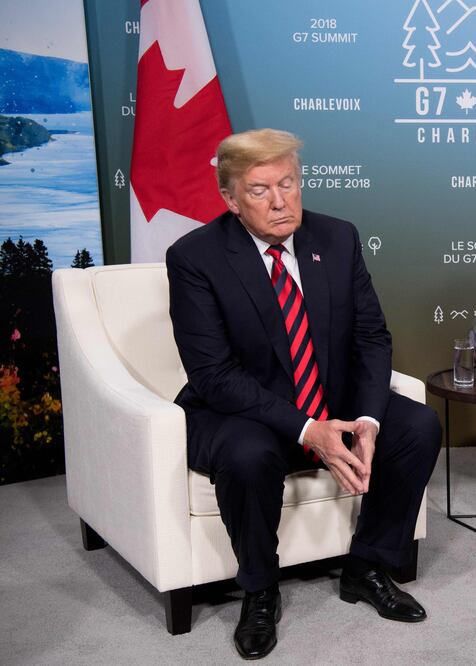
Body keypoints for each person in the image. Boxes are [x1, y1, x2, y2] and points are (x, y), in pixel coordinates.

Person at [166, 128, 441, 659]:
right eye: (259, 190)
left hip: (327, 402)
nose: (280, 201)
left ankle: (367, 566)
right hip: (238, 410)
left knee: (417, 426)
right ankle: (259, 590)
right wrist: (308, 430)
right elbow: (214, 375)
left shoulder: (337, 238)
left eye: (288, 183)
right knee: (249, 454)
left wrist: (365, 420)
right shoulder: (195, 257)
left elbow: (370, 337)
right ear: (229, 199)